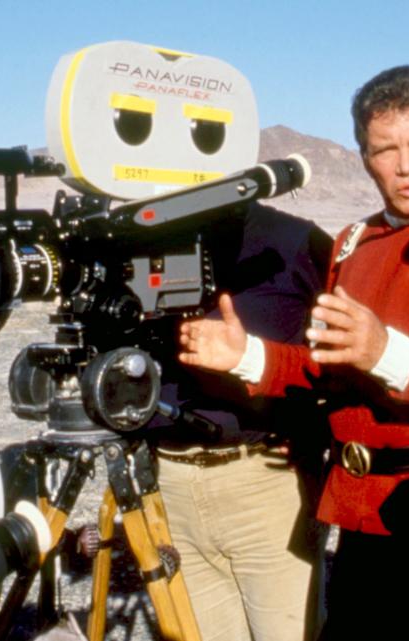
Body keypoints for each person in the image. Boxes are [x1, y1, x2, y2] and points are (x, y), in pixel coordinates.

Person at [179, 66, 409, 639]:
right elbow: (329, 370)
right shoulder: (354, 243)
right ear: (364, 157)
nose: (406, 165)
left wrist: (385, 351)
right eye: (385, 149)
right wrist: (247, 356)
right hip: (357, 518)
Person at [151, 203, 331, 641]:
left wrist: (323, 429)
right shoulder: (138, 237)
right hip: (166, 485)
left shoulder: (296, 241)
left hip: (265, 483)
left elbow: (351, 355)